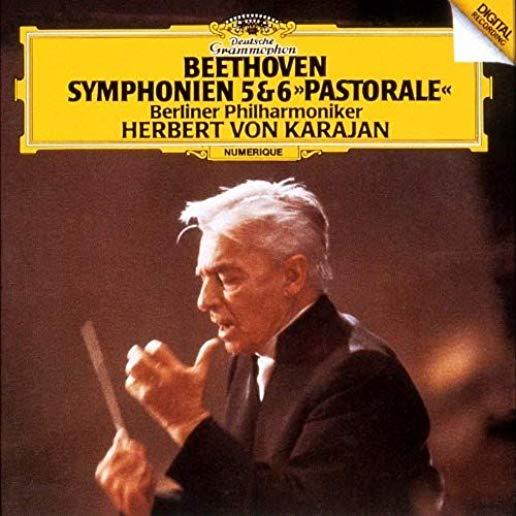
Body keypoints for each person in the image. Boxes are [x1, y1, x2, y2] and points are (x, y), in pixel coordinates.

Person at [95, 179, 442, 515]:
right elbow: (246, 498)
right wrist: (149, 508)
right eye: (203, 279)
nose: (204, 300)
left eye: (227, 278)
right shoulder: (252, 356)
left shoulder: (362, 375)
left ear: (292, 276)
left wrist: (186, 421)